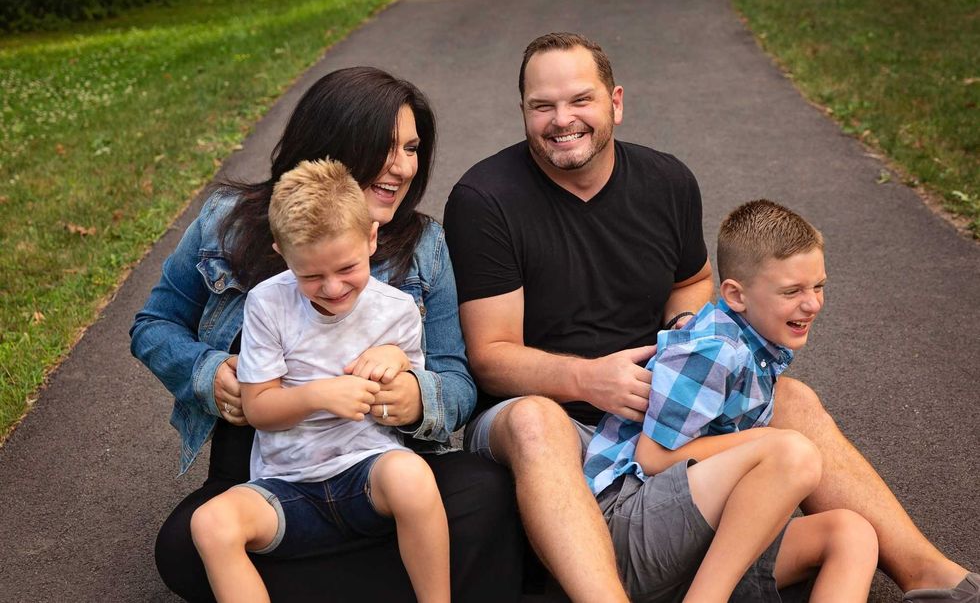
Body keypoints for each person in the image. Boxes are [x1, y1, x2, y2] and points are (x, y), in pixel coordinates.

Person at [443, 31, 978, 602]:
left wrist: (683, 331)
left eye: (580, 100)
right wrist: (587, 379)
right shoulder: (486, 199)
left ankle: (928, 575)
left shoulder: (665, 182)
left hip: (657, 407)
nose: (561, 119)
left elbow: (692, 282)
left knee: (792, 400)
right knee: (535, 422)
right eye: (542, 106)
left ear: (615, 103)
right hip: (547, 414)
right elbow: (491, 357)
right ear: (523, 110)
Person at [131, 66, 523, 602]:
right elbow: (153, 324)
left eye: (411, 148)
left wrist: (416, 396)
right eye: (384, 148)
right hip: (267, 471)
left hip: (374, 467)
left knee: (486, 492)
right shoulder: (226, 219)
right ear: (330, 145)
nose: (403, 167)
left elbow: (456, 379)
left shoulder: (426, 244)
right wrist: (208, 372)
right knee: (184, 546)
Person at [584, 199, 878, 602]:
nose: (812, 304)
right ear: (736, 295)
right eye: (792, 291)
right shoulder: (713, 348)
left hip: (699, 538)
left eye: (818, 286)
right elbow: (652, 457)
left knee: (852, 534)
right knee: (792, 450)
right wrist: (764, 446)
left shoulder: (757, 345)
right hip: (628, 530)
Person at [190, 158, 449, 603]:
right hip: (286, 487)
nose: (332, 288)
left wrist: (396, 364)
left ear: (371, 238)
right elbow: (258, 409)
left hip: (367, 472)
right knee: (210, 524)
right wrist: (319, 395)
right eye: (311, 275)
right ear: (282, 254)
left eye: (346, 269)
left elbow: (405, 393)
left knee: (413, 476)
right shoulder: (267, 305)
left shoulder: (398, 309)